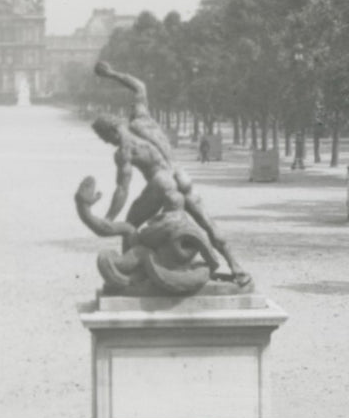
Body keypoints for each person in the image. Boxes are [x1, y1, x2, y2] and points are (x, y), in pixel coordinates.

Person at [89, 61, 252, 289]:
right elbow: (139, 86)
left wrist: (108, 217)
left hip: (161, 182)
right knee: (207, 222)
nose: (107, 142)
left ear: (111, 131)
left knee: (131, 224)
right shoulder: (141, 118)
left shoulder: (124, 150)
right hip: (181, 175)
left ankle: (132, 275)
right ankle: (236, 266)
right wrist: (112, 74)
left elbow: (122, 189)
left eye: (105, 137)